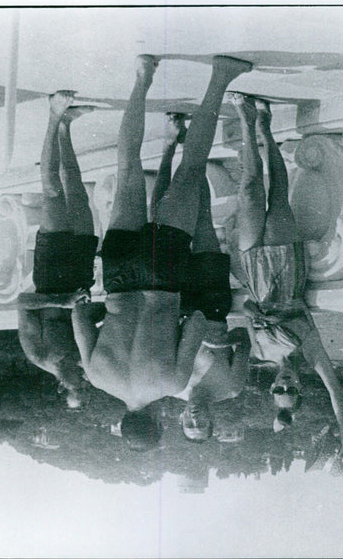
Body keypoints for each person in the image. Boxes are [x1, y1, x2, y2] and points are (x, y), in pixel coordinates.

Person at [72, 55, 252, 451]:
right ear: (123, 420)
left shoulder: (171, 384)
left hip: (164, 279)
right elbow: (79, 312)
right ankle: (142, 76)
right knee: (127, 168)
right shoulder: (99, 376)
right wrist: (112, 312)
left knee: (191, 168)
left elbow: (199, 322)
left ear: (157, 421)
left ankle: (220, 76)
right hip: (118, 278)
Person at [228, 92, 343, 459]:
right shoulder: (310, 353)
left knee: (250, 193)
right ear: (299, 389)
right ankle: (264, 125)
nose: (283, 387)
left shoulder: (261, 352)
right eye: (290, 391)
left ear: (271, 390)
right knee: (278, 195)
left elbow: (248, 309)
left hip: (255, 270)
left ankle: (246, 116)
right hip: (286, 269)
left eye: (276, 391)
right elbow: (336, 394)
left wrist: (253, 312)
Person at [152, 113, 252, 442]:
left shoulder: (173, 385)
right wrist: (215, 342)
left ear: (181, 419)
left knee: (165, 223)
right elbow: (244, 340)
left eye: (188, 426)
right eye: (202, 426)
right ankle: (197, 151)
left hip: (177, 300)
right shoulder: (232, 388)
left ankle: (174, 146)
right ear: (212, 422)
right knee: (203, 220)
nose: (195, 420)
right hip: (212, 304)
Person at [17, 91, 99, 410]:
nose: (80, 381)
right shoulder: (82, 356)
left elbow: (23, 302)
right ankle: (66, 127)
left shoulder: (39, 355)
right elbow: (94, 317)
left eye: (74, 388)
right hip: (80, 271)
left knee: (52, 190)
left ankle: (53, 115)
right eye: (84, 387)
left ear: (62, 388)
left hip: (50, 271)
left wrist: (59, 301)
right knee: (77, 191)